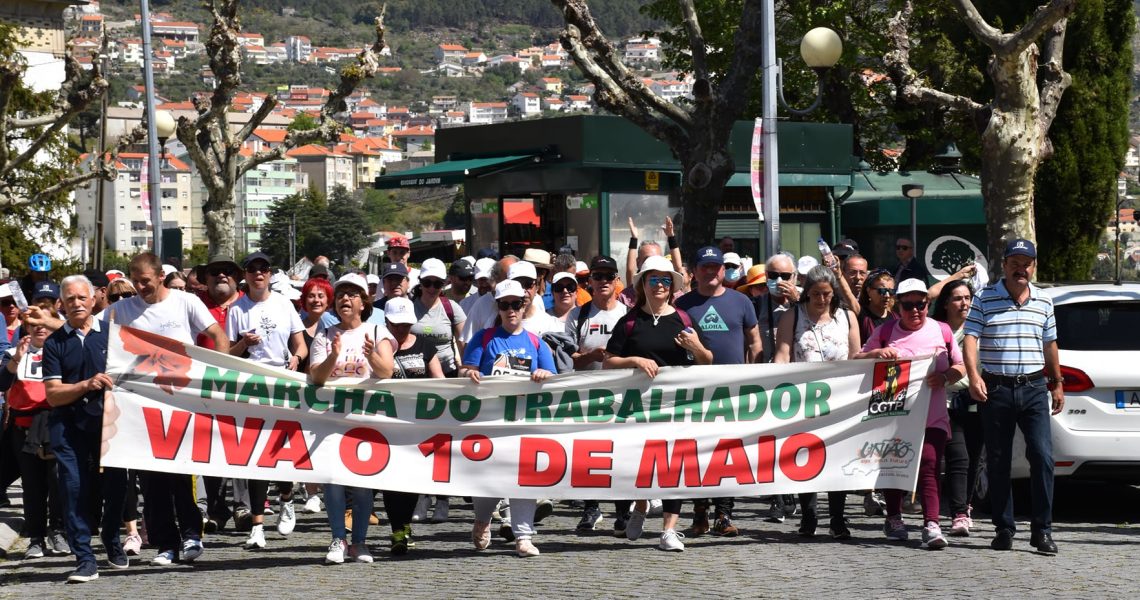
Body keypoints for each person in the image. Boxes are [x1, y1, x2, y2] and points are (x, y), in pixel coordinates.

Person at [106, 252, 229, 565]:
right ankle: (165, 544)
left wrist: (219, 374)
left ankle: (192, 534)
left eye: (145, 280)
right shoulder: (122, 308)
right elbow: (92, 332)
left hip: (181, 402)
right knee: (152, 479)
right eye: (135, 281)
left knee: (181, 472)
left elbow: (217, 335)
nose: (140, 287)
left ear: (160, 276)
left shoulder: (184, 302)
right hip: (142, 406)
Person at [603, 255, 712, 551]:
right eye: (654, 280)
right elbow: (608, 361)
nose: (660, 285)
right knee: (640, 462)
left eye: (666, 280)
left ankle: (669, 530)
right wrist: (635, 360)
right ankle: (640, 504)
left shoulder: (684, 319)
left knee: (673, 464)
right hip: (636, 407)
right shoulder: (629, 322)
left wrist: (696, 347)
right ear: (643, 284)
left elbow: (707, 361)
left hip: (675, 406)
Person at [963, 239, 1063, 555]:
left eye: (1027, 263)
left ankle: (1042, 530)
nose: (1022, 269)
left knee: (1043, 458)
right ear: (1004, 265)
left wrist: (1056, 382)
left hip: (1034, 387)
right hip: (997, 388)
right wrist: (974, 376)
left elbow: (1050, 344)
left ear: (1034, 266)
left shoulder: (1044, 301)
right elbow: (970, 339)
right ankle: (1004, 528)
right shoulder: (984, 297)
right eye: (1015, 263)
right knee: (998, 460)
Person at [854, 278, 964, 549]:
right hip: (895, 413)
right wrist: (878, 353)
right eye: (908, 305)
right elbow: (855, 359)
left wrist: (946, 376)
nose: (915, 310)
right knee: (894, 465)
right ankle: (894, 517)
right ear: (897, 304)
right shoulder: (886, 330)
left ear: (929, 304)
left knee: (929, 464)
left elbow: (961, 366)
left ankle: (932, 523)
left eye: (921, 304)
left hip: (932, 412)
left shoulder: (943, 330)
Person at [459, 279, 555, 557]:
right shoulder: (484, 338)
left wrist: (544, 375)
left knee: (523, 476)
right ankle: (482, 519)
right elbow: (465, 370)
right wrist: (470, 374)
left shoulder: (536, 342)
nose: (511, 310)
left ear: (525, 305)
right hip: (491, 421)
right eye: (505, 305)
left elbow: (553, 377)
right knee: (489, 478)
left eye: (516, 304)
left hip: (524, 421)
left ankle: (523, 535)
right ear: (498, 308)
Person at [41, 275, 128, 582]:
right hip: (68, 427)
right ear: (60, 304)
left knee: (117, 487)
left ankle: (111, 539)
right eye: (69, 299)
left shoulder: (115, 336)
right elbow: (53, 394)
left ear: (94, 300)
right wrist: (85, 384)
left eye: (81, 297)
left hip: (110, 425)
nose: (76, 303)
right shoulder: (54, 344)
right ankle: (84, 558)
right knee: (73, 488)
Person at [310, 273, 396, 563]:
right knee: (333, 481)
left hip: (367, 418)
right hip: (332, 419)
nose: (346, 299)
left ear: (364, 302)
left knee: (362, 482)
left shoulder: (377, 331)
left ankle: (359, 542)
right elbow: (315, 376)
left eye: (353, 294)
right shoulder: (325, 333)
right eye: (341, 294)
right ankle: (338, 539)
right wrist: (333, 357)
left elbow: (387, 372)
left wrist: (372, 357)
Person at [676, 246, 760, 536]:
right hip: (696, 390)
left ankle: (724, 513)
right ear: (695, 271)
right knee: (698, 453)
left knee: (729, 452)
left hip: (734, 391)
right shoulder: (683, 304)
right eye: (705, 267)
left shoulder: (742, 301)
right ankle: (700, 513)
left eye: (716, 266)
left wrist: (755, 375)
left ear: (724, 270)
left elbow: (755, 342)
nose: (711, 271)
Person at [226, 252, 308, 549]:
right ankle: (258, 525)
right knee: (257, 456)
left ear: (270, 273)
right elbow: (227, 355)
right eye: (252, 270)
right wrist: (243, 344)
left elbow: (299, 344)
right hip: (251, 384)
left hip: (282, 381)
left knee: (282, 449)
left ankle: (286, 497)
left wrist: (297, 359)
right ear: (245, 276)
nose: (258, 274)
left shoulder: (283, 304)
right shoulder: (237, 309)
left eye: (263, 269)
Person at [773, 265, 859, 539]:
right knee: (805, 456)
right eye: (816, 295)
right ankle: (809, 514)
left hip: (840, 399)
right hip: (804, 398)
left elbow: (857, 356)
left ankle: (837, 517)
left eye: (827, 294)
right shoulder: (792, 316)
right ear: (806, 294)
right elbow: (783, 354)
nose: (822, 300)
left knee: (838, 457)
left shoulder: (846, 317)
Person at [0, 284, 68, 559]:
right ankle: (35, 537)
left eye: (44, 323)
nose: (39, 328)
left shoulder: (63, 352)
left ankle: (59, 531)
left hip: (55, 424)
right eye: (33, 324)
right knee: (32, 483)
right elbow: (2, 382)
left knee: (58, 482)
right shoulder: (15, 353)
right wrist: (16, 360)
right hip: (24, 427)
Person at [566, 255, 629, 533]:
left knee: (623, 452)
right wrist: (592, 354)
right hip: (586, 394)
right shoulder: (577, 315)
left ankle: (623, 510)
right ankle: (591, 507)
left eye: (608, 276)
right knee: (588, 454)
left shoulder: (627, 315)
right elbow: (570, 359)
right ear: (589, 281)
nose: (603, 281)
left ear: (617, 281)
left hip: (622, 394)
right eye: (598, 276)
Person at [385, 296, 443, 549]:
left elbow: (439, 378)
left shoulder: (425, 345)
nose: (401, 329)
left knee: (410, 480)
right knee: (388, 480)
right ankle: (398, 530)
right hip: (386, 424)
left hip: (418, 425)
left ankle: (404, 525)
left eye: (406, 324)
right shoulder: (379, 346)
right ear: (386, 322)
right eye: (396, 324)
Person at [932, 278, 983, 537]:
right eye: (957, 298)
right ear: (946, 303)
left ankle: (966, 505)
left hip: (976, 400)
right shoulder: (936, 330)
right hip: (946, 401)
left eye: (967, 298)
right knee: (958, 456)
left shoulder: (979, 328)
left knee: (973, 457)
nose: (964, 303)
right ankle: (959, 513)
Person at [411, 258, 466, 378]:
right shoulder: (409, 307)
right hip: (416, 376)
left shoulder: (452, 307)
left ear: (444, 284)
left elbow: (464, 345)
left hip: (448, 374)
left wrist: (466, 369)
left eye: (437, 284)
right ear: (420, 282)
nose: (431, 288)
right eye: (427, 283)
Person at [858, 269, 896, 344]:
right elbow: (848, 295)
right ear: (868, 291)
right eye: (882, 291)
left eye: (891, 291)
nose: (887, 296)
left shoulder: (897, 317)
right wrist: (838, 275)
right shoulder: (861, 314)